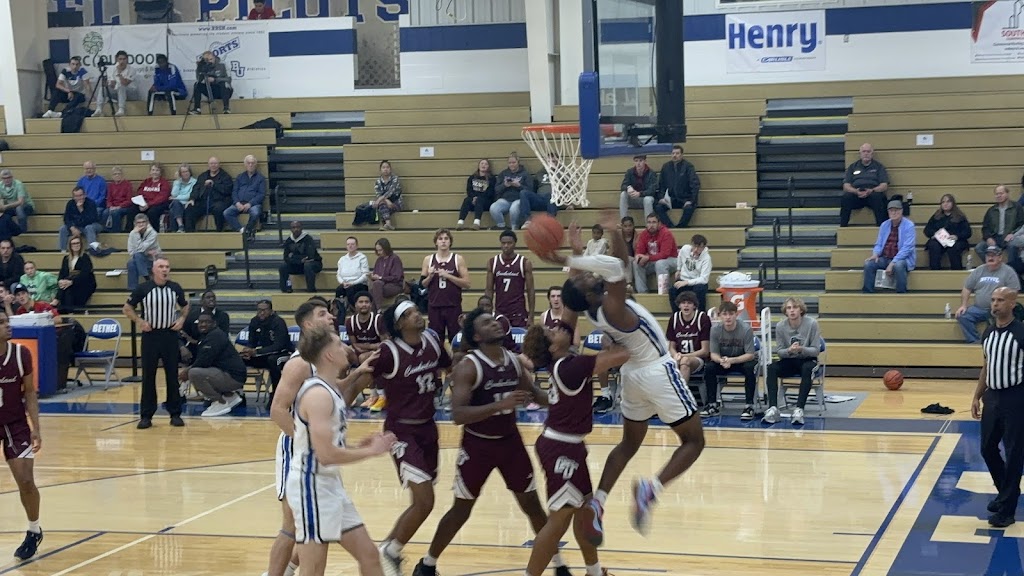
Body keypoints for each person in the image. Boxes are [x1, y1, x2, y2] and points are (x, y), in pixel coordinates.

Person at [537, 215, 703, 539]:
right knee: (694, 441)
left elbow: (583, 279)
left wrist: (575, 252)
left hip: (632, 376)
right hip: (657, 369)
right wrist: (597, 241)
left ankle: (598, 503)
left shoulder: (591, 306)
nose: (590, 278)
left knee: (628, 444)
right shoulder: (611, 306)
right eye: (586, 280)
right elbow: (617, 266)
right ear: (588, 294)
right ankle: (650, 490)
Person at [413, 309, 569, 576]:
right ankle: (427, 564)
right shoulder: (469, 366)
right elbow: (458, 414)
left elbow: (534, 394)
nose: (495, 323)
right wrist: (502, 404)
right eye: (487, 322)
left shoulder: (513, 361)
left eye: (495, 320)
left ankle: (559, 565)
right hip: (478, 446)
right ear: (476, 335)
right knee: (461, 510)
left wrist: (563, 397)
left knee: (532, 505)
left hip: (510, 444)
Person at [520, 312, 629, 576]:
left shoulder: (564, 362)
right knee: (558, 521)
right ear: (552, 346)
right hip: (560, 449)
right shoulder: (570, 367)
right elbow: (623, 355)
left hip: (570, 447)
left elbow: (569, 316)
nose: (558, 328)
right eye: (552, 331)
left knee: (583, 514)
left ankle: (593, 572)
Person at [287, 325, 394, 576]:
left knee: (369, 555)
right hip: (311, 486)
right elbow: (326, 455)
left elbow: (330, 448)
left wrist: (359, 446)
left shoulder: (330, 388)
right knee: (312, 568)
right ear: (328, 356)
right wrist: (371, 452)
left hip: (329, 485)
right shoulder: (317, 396)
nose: (345, 348)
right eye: (338, 344)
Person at [263, 299, 339, 576]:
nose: (330, 317)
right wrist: (305, 442)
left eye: (329, 313)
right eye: (322, 314)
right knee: (292, 525)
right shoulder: (300, 364)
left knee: (320, 521)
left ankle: (291, 569)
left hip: (319, 451)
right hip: (296, 448)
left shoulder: (325, 360)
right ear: (308, 325)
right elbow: (277, 410)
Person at [375, 300, 452, 573]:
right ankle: (389, 550)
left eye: (416, 311)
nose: (416, 315)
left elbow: (449, 366)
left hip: (428, 427)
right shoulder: (388, 352)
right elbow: (362, 377)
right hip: (402, 431)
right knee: (425, 500)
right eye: (408, 314)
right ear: (399, 325)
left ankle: (388, 550)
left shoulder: (431, 340)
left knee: (421, 503)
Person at [972, 287, 1024, 528]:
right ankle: (1005, 494)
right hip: (992, 397)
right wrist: (976, 396)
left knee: (1014, 453)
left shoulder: (1021, 333)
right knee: (987, 449)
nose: (995, 304)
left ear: (1013, 304)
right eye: (993, 300)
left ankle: (1006, 510)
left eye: (1001, 300)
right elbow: (986, 366)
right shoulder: (989, 333)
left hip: (1016, 397)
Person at [122, 257, 189, 429]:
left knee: (172, 375)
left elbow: (186, 306)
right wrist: (139, 321)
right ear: (153, 269)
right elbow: (127, 308)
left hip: (169, 336)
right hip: (151, 337)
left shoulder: (175, 288)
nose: (164, 269)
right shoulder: (143, 289)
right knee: (148, 376)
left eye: (167, 266)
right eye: (161, 266)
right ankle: (146, 415)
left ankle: (175, 413)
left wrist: (181, 319)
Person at [0, 311, 43, 561]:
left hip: (15, 423)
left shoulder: (20, 354)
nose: (8, 326)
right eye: (2, 323)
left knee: (26, 481)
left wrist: (36, 427)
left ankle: (34, 530)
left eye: (8, 322)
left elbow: (30, 393)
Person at [763, 297, 822, 425]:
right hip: (789, 359)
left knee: (807, 368)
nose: (792, 311)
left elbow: (816, 350)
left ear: (801, 310)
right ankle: (773, 408)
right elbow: (779, 351)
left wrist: (801, 349)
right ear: (785, 311)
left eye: (795, 307)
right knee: (771, 368)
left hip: (807, 359)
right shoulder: (780, 326)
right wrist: (789, 350)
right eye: (789, 308)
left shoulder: (812, 323)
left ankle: (799, 409)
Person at [180, 312, 247, 417]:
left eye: (206, 322)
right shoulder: (208, 335)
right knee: (198, 371)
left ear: (214, 323)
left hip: (233, 377)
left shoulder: (215, 336)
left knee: (194, 373)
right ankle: (230, 396)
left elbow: (203, 361)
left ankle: (220, 402)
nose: (203, 324)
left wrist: (187, 371)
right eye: (200, 322)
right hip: (231, 374)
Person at [701, 301, 757, 419]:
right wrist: (721, 360)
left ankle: (749, 406)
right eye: (725, 314)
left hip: (740, 360)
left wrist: (732, 360)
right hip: (723, 361)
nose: (728, 317)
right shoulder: (715, 330)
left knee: (749, 368)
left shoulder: (745, 329)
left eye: (731, 314)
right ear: (720, 316)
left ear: (736, 315)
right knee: (709, 367)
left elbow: (750, 354)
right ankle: (712, 404)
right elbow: (713, 354)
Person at [956, 246, 1021, 344]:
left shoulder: (1008, 271)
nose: (990, 258)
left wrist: (1004, 306)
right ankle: (975, 341)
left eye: (993, 255)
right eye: (988, 255)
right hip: (979, 308)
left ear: (1000, 257)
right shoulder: (979, 270)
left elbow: (1014, 292)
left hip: (999, 309)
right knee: (963, 315)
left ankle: (996, 342)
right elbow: (967, 288)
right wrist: (963, 305)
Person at [421, 229, 470, 343]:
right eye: (440, 239)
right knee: (436, 340)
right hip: (435, 306)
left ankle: (456, 360)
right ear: (436, 242)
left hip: (453, 306)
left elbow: (467, 283)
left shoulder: (458, 259)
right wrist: (430, 276)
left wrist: (449, 276)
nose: (443, 241)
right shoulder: (428, 259)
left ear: (450, 242)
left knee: (456, 338)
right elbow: (422, 285)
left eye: (446, 239)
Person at [862, 200, 916, 294]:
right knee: (869, 264)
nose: (894, 213)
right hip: (885, 257)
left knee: (898, 266)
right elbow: (879, 243)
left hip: (902, 259)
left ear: (901, 211)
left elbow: (908, 248)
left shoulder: (909, 225)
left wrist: (893, 263)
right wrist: (875, 254)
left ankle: (901, 293)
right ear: (888, 212)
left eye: (896, 210)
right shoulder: (884, 225)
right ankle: (868, 293)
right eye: (891, 210)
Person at [486, 230, 534, 327]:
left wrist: (531, 315)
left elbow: (530, 290)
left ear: (515, 244)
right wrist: (488, 313)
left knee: (519, 340)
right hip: (500, 310)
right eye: (503, 243)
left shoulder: (524, 262)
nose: (506, 246)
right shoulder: (493, 262)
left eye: (509, 243)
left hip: (518, 311)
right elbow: (489, 290)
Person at [666, 291, 711, 391]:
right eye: (683, 303)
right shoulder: (674, 319)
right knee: (666, 364)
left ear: (694, 305)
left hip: (697, 359)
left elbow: (705, 351)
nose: (686, 305)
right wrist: (675, 356)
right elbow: (671, 347)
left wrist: (684, 356)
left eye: (689, 303)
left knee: (685, 361)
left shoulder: (702, 318)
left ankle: (682, 394)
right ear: (679, 305)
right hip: (679, 357)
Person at [655, 145, 701, 229]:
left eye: (677, 153)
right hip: (671, 199)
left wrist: (691, 200)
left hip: (685, 198)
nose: (674, 155)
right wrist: (661, 198)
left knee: (689, 208)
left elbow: (695, 185)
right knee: (658, 207)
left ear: (682, 155)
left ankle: (681, 227)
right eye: (673, 153)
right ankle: (670, 227)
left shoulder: (688, 167)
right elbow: (661, 185)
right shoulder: (666, 167)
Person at [923, 194, 972, 270]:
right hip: (940, 241)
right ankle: (934, 271)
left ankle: (956, 272)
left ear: (953, 203)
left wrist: (957, 236)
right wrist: (934, 234)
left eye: (948, 201)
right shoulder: (936, 216)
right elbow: (927, 230)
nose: (945, 204)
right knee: (933, 245)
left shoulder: (960, 216)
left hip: (956, 241)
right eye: (943, 202)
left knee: (953, 248)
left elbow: (968, 232)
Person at [668, 234, 711, 312]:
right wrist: (678, 269)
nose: (696, 250)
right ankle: (676, 314)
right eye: (694, 246)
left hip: (697, 282)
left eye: (699, 247)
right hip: (683, 279)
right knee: (672, 290)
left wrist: (687, 282)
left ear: (704, 247)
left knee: (700, 289)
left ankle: (700, 314)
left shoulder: (706, 258)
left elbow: (704, 279)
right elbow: (680, 257)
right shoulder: (685, 249)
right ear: (691, 244)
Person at [54, 236, 96, 312]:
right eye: (73, 243)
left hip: (84, 283)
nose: (76, 245)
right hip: (69, 284)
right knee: (66, 288)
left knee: (68, 288)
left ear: (81, 244)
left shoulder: (85, 257)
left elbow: (85, 274)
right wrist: (60, 281)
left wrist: (71, 282)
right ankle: (67, 311)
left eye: (78, 243)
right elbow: (62, 272)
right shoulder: (66, 258)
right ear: (70, 246)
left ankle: (58, 300)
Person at [279, 221, 322, 293]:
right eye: (293, 227)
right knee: (283, 267)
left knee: (307, 265)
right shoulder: (289, 240)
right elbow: (286, 257)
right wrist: (299, 260)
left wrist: (293, 257)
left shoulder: (308, 239)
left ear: (301, 228)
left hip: (314, 264)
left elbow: (310, 256)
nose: (296, 229)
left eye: (298, 227)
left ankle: (311, 289)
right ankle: (285, 289)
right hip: (298, 265)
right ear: (290, 229)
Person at [93, 50, 137, 117]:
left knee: (121, 86)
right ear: (116, 59)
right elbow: (112, 84)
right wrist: (110, 83)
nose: (122, 61)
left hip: (129, 93)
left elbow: (125, 83)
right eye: (120, 59)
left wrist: (119, 74)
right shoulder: (111, 69)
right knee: (103, 88)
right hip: (116, 92)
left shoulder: (132, 70)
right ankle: (99, 109)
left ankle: (121, 109)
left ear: (127, 59)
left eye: (124, 59)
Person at [126, 214, 161, 291]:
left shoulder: (152, 233)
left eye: (143, 222)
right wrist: (146, 252)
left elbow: (141, 249)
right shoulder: (132, 234)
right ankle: (134, 289)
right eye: (138, 222)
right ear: (135, 224)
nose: (141, 224)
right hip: (140, 259)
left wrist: (143, 252)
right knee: (131, 263)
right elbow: (131, 251)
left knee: (137, 256)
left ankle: (146, 278)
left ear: (147, 223)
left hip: (153, 260)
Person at [458, 159, 495, 230]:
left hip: (486, 202)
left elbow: (490, 192)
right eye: (482, 163)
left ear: (488, 167)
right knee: (466, 200)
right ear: (478, 165)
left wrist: (478, 198)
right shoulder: (472, 178)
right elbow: (469, 190)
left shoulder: (491, 178)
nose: (483, 165)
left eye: (486, 164)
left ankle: (476, 223)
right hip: (473, 201)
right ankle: (460, 222)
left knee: (479, 200)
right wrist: (473, 197)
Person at [619, 153, 657, 219]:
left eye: (640, 161)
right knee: (623, 194)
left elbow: (652, 190)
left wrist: (639, 194)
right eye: (636, 161)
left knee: (647, 199)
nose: (638, 163)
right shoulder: (630, 172)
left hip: (645, 198)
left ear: (645, 161)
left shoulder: (651, 173)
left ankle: (649, 225)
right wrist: (628, 187)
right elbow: (623, 186)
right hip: (634, 198)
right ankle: (623, 221)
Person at [135, 163, 172, 231]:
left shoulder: (164, 183)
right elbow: (140, 192)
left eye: (157, 170)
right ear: (150, 172)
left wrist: (148, 204)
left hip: (158, 204)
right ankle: (131, 231)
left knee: (152, 212)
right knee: (132, 209)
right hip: (145, 203)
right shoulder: (146, 181)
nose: (154, 172)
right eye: (153, 170)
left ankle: (153, 231)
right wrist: (142, 203)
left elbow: (162, 197)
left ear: (160, 172)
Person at [370, 238, 404, 308]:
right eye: (377, 250)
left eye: (380, 250)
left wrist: (381, 278)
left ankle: (377, 310)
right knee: (374, 288)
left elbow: (396, 277)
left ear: (386, 249)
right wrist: (373, 277)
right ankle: (377, 310)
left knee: (375, 289)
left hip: (395, 285)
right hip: (380, 285)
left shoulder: (395, 259)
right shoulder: (379, 260)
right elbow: (376, 274)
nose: (379, 252)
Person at [373, 160, 402, 231]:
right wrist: (386, 200)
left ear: (390, 169)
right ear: (380, 170)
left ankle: (385, 224)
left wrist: (380, 200)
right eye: (383, 167)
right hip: (384, 203)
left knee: (381, 205)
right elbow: (378, 194)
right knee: (382, 205)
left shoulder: (395, 179)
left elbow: (391, 191)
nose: (385, 169)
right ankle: (388, 224)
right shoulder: (378, 181)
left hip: (396, 202)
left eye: (387, 167)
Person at [169, 163, 197, 233]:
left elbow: (189, 195)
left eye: (187, 171)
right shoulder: (177, 182)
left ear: (190, 172)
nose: (185, 173)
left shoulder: (194, 182)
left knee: (173, 209)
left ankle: (178, 229)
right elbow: (174, 194)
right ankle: (180, 226)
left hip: (187, 203)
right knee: (175, 205)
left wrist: (176, 198)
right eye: (183, 172)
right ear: (180, 174)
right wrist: (178, 181)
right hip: (177, 204)